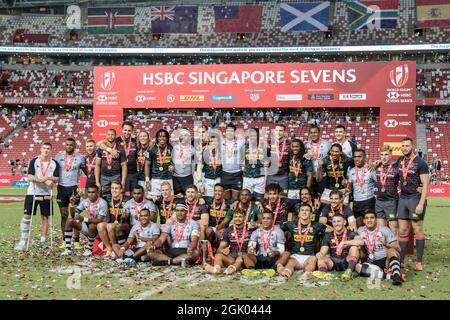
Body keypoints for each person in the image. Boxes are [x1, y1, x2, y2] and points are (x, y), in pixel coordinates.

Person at [14, 143, 60, 250]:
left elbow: (57, 178)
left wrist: (48, 177)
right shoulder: (34, 161)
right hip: (32, 192)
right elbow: (29, 177)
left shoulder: (54, 163)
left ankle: (43, 242)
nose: (46, 150)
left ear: (51, 150)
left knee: (45, 218)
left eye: (48, 148)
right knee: (27, 216)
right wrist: (43, 180)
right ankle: (23, 241)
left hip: (47, 194)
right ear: (41, 149)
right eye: (44, 148)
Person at [397, 137, 430, 271]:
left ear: (413, 146)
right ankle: (401, 260)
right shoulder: (400, 161)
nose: (405, 148)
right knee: (403, 231)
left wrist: (421, 203)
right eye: (403, 146)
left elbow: (426, 185)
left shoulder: (421, 163)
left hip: (415, 199)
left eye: (407, 146)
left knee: (417, 230)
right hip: (403, 199)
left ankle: (418, 261)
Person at [278, 204, 327, 280]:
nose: (304, 212)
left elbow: (330, 230)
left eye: (307, 210)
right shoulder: (291, 224)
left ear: (311, 214)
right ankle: (286, 274)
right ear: (299, 213)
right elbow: (276, 228)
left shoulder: (317, 225)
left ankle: (306, 275)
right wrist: (260, 225)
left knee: (313, 259)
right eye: (302, 210)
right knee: (290, 263)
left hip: (309, 256)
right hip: (295, 256)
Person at [54, 137, 86, 249]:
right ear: (65, 145)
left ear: (75, 146)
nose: (69, 146)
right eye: (67, 144)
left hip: (74, 188)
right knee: (64, 215)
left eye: (71, 145)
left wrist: (82, 187)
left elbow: (85, 173)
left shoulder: (80, 158)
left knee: (75, 215)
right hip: (61, 188)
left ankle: (76, 241)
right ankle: (64, 240)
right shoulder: (58, 157)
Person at [354, 211, 402, 286]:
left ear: (376, 220)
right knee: (357, 267)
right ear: (364, 221)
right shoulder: (360, 230)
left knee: (391, 250)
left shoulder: (384, 230)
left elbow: (398, 248)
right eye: (367, 218)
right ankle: (391, 276)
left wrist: (386, 244)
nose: (369, 220)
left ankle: (395, 275)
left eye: (372, 218)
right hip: (371, 261)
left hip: (386, 260)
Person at [61, 185, 108, 256]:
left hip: (100, 229)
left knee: (92, 226)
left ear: (98, 193)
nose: (90, 194)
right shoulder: (85, 201)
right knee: (69, 221)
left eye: (93, 192)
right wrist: (72, 205)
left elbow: (99, 220)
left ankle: (89, 249)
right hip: (89, 226)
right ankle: (68, 249)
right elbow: (74, 214)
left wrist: (84, 219)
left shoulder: (102, 203)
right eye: (89, 192)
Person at [203, 208, 253, 275]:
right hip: (232, 257)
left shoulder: (250, 229)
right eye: (236, 217)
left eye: (240, 217)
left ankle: (230, 270)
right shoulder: (227, 230)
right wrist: (224, 250)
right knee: (218, 255)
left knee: (240, 257)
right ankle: (216, 269)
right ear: (233, 218)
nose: (238, 219)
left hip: (246, 257)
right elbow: (219, 249)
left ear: (245, 217)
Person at [315, 214, 360, 281]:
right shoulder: (328, 236)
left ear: (344, 222)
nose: (336, 224)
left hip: (347, 261)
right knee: (321, 257)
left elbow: (360, 241)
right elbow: (323, 251)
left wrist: (344, 242)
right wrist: (319, 254)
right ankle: (323, 273)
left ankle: (349, 272)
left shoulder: (351, 233)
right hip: (333, 262)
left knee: (354, 248)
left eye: (339, 221)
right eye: (334, 222)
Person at [98, 122, 138, 194]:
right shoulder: (115, 140)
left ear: (132, 131)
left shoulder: (135, 141)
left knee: (133, 195)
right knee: (120, 194)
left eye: (129, 130)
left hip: (133, 173)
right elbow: (99, 144)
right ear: (122, 130)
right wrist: (110, 150)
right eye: (125, 130)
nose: (127, 132)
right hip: (119, 173)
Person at [97, 181, 131, 258]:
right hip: (111, 224)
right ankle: (109, 249)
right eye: (112, 188)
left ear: (121, 189)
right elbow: (95, 198)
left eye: (116, 188)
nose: (114, 190)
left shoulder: (128, 200)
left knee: (110, 226)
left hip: (124, 225)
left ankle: (115, 248)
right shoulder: (106, 198)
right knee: (100, 225)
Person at [373, 145, 401, 234]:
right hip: (379, 201)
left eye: (386, 155)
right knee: (381, 229)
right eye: (381, 155)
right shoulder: (376, 167)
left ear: (391, 155)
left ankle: (396, 247)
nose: (383, 157)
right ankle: (385, 247)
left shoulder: (396, 167)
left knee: (394, 228)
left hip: (392, 201)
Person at [346, 149, 377, 227]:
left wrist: (377, 163)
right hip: (356, 202)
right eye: (355, 157)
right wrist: (346, 185)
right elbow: (350, 187)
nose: (357, 159)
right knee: (359, 225)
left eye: (359, 156)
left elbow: (379, 183)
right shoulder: (351, 171)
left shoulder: (370, 169)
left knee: (370, 225)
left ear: (364, 157)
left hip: (368, 201)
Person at [95, 129, 127, 195]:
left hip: (116, 176)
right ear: (106, 135)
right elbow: (97, 165)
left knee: (117, 195)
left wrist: (123, 182)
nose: (110, 136)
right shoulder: (100, 149)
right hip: (104, 177)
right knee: (105, 195)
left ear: (115, 136)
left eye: (112, 134)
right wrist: (97, 181)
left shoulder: (120, 148)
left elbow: (124, 166)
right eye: (109, 134)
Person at [145, 129, 174, 196]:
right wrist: (147, 180)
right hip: (155, 179)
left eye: (164, 136)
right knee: (154, 200)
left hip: (168, 178)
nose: (162, 138)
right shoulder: (151, 149)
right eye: (160, 136)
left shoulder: (171, 148)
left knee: (169, 200)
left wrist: (172, 166)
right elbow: (147, 164)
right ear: (157, 138)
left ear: (167, 138)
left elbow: (173, 162)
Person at [221, 123, 245, 201]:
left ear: (235, 132)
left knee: (236, 198)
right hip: (225, 173)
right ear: (225, 132)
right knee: (226, 198)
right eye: (227, 130)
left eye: (231, 131)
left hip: (237, 173)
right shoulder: (220, 142)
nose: (229, 132)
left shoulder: (241, 142)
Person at [242, 128, 267, 201]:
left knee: (259, 200)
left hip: (260, 177)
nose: (252, 137)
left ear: (258, 136)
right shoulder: (245, 146)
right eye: (251, 135)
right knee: (246, 199)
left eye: (255, 135)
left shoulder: (264, 146)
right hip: (247, 177)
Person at [266, 123, 291, 193]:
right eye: (277, 130)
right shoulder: (269, 143)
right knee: (270, 197)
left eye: (281, 131)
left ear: (284, 132)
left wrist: (307, 154)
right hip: (271, 175)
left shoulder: (290, 143)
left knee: (284, 196)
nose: (278, 132)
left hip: (284, 176)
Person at [171, 128, 195, 195]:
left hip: (188, 177)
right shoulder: (174, 146)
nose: (183, 137)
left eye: (186, 135)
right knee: (176, 197)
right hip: (175, 177)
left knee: (187, 196)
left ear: (189, 137)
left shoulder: (192, 149)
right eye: (182, 135)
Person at [200, 133, 222, 199]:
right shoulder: (204, 151)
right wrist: (200, 183)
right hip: (208, 179)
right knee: (208, 199)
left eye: (215, 141)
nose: (213, 143)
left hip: (218, 178)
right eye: (211, 141)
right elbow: (200, 167)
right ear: (209, 142)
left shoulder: (222, 152)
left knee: (218, 198)